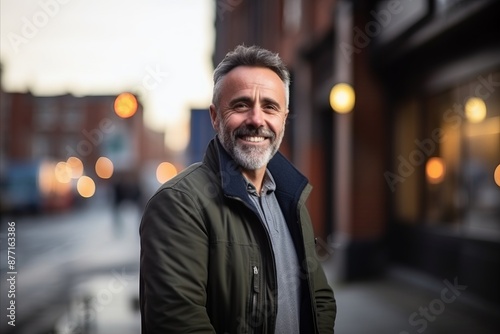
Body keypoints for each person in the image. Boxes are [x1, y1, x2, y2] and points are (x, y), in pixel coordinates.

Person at [140, 45, 336, 333]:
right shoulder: (179, 204)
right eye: (241, 105)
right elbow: (177, 323)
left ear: (283, 118)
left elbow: (319, 298)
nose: (257, 120)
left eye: (270, 106)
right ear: (215, 116)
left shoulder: (291, 199)